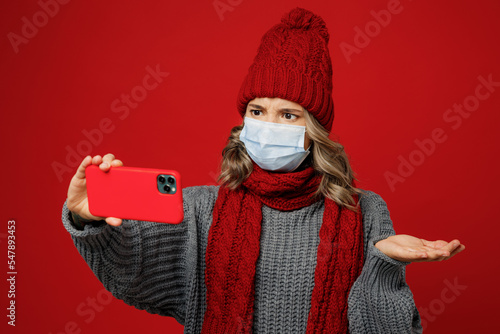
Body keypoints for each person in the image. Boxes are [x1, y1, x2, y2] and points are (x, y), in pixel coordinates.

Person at [61, 7, 465, 334]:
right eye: (257, 111)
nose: (268, 126)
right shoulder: (201, 209)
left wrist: (382, 265)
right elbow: (131, 267)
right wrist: (88, 218)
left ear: (315, 131)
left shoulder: (367, 213)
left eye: (288, 114)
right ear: (244, 120)